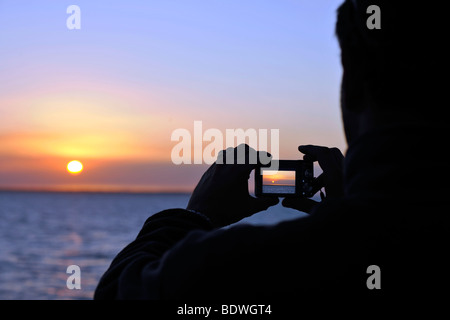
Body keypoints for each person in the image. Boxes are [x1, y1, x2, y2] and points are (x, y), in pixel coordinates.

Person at [94, 0, 449, 299]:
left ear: (355, 85)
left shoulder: (270, 264)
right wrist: (350, 208)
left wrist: (197, 216)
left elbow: (118, 292)